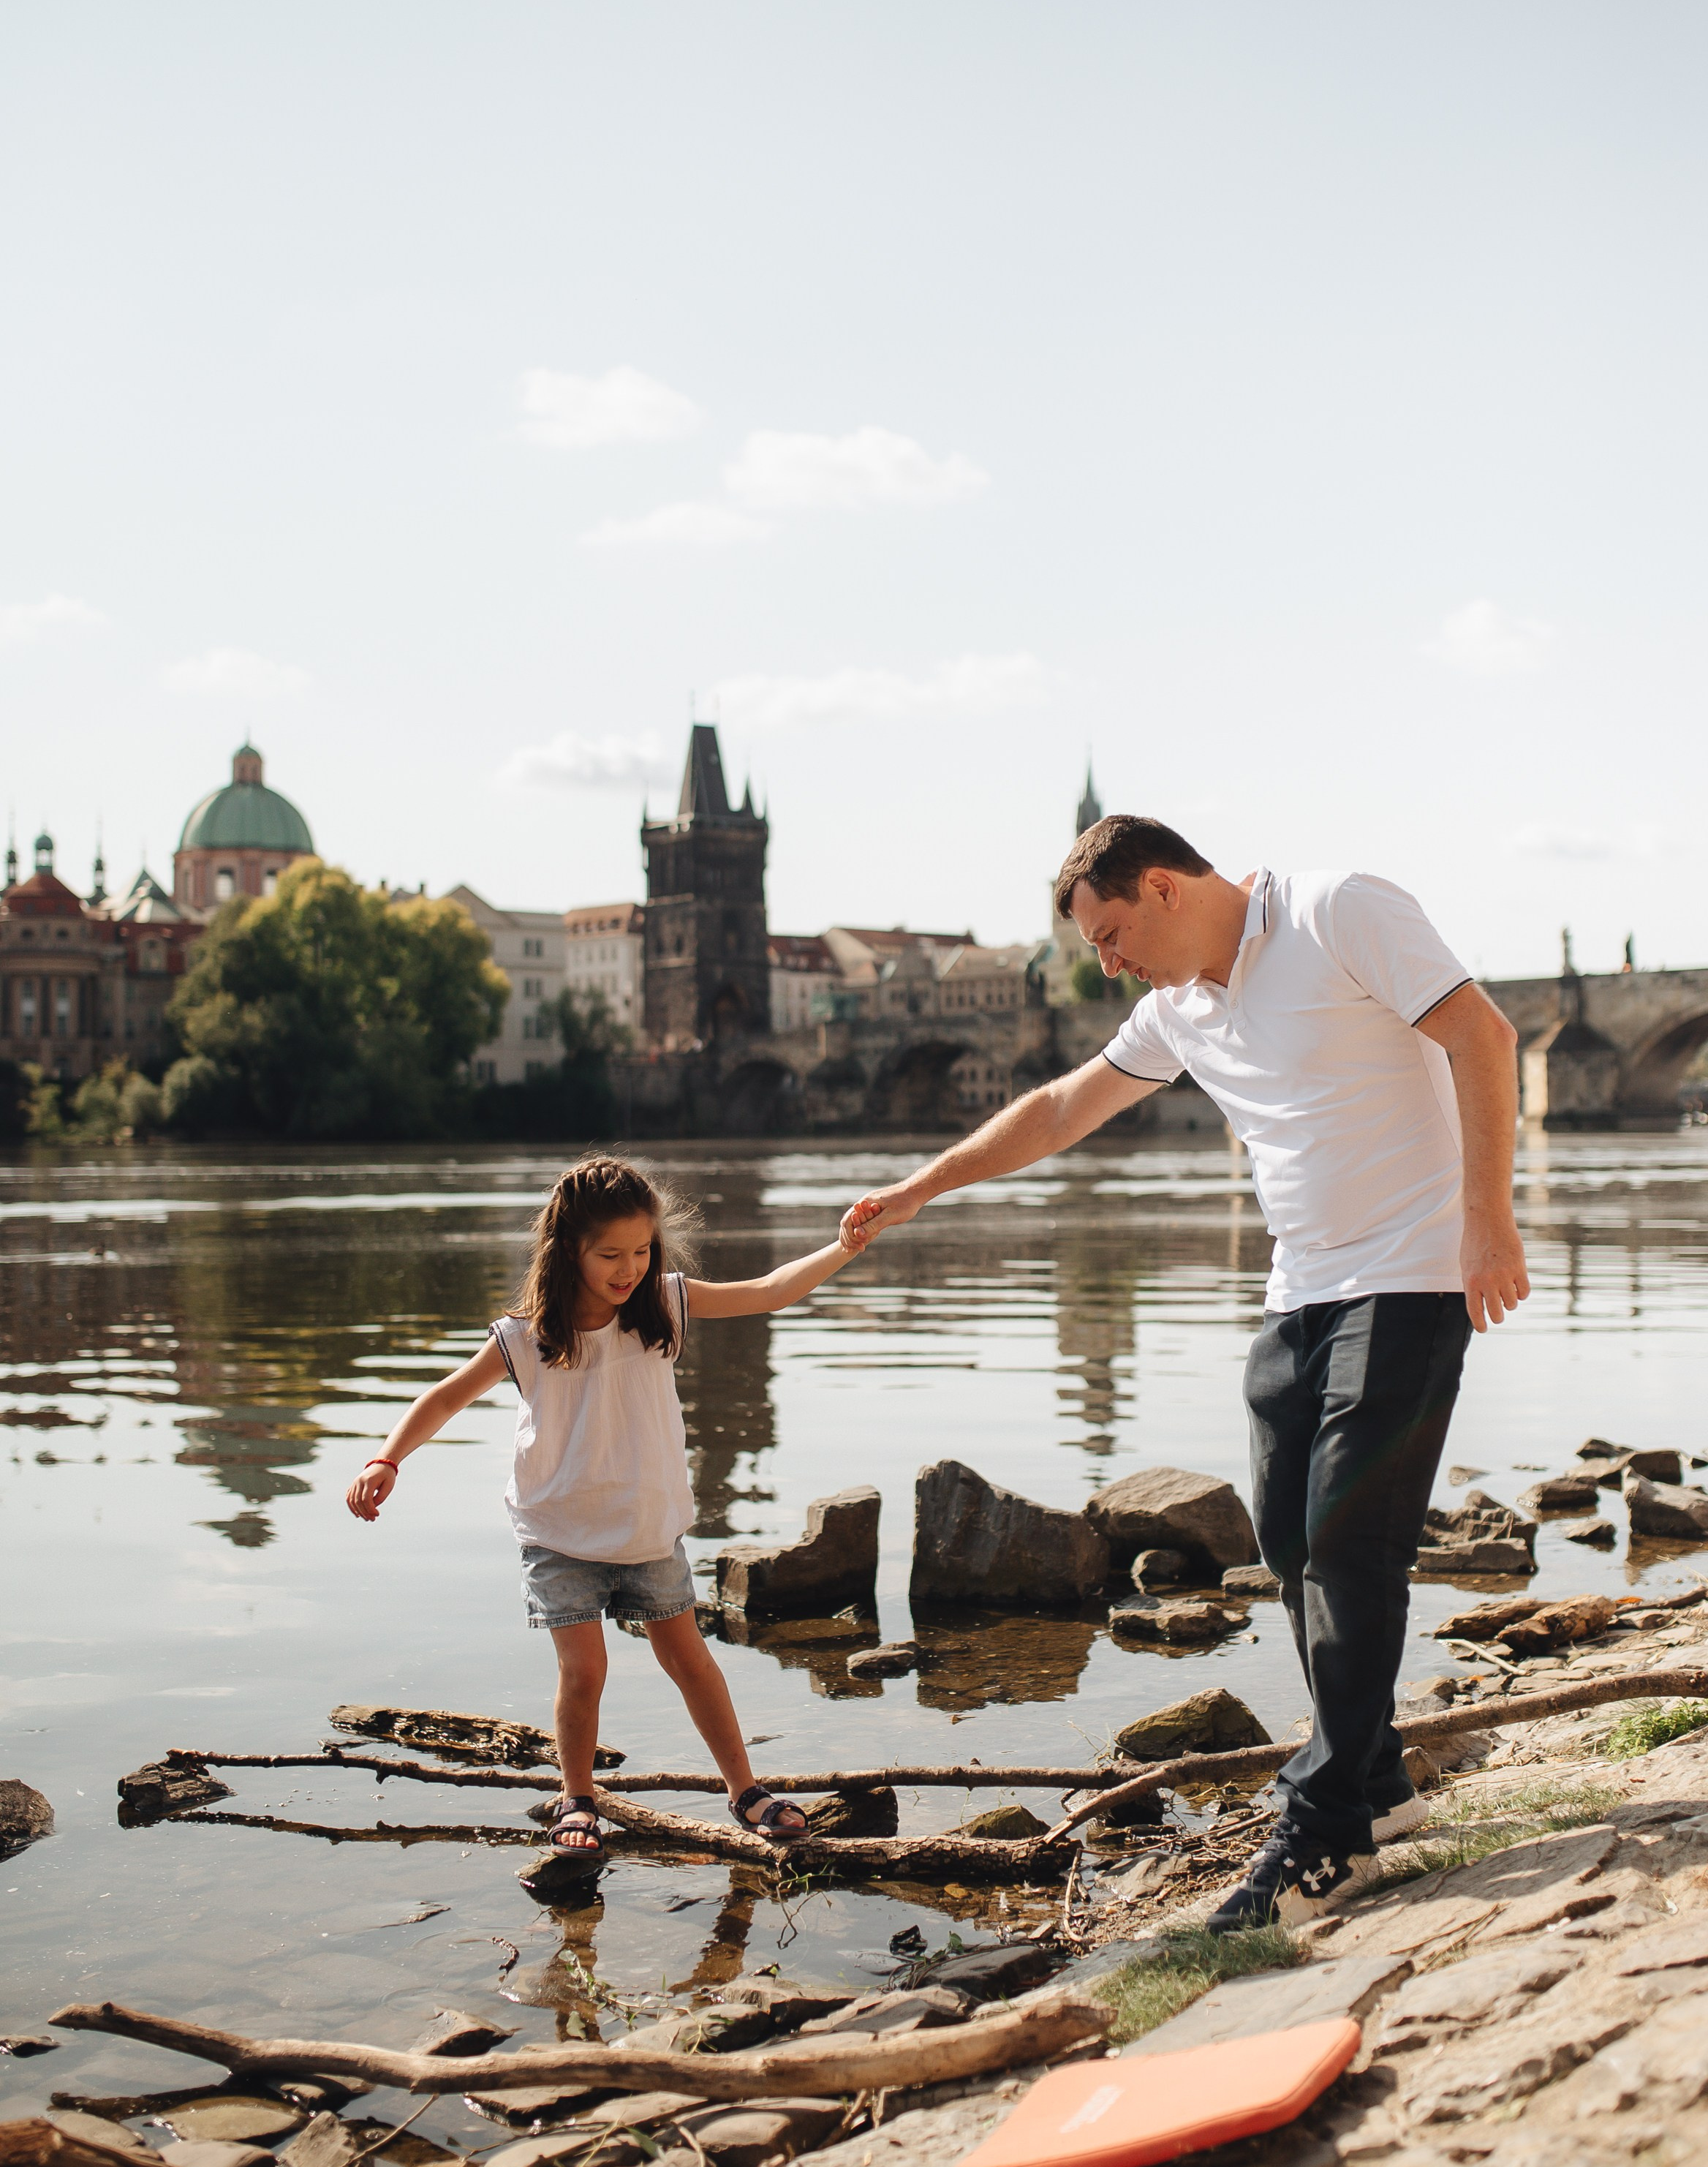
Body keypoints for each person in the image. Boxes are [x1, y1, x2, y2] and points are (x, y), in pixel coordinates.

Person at [843, 817, 1527, 1927]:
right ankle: (1383, 1781)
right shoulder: (1179, 1010)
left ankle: (1330, 1829)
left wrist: (1488, 1223)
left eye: (1113, 935)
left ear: (1163, 888)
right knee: (1292, 1541)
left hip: (1412, 1272)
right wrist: (922, 1189)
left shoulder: (1338, 909)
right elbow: (1063, 1107)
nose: (1107, 965)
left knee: (1354, 1540)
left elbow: (1485, 1039)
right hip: (1299, 1293)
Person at [347, 1154, 868, 1855]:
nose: (629, 1269)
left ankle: (745, 1789)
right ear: (569, 1251)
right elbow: (444, 1396)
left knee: (689, 1661)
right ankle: (578, 1798)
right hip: (558, 1530)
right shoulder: (527, 1337)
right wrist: (387, 1457)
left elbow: (768, 1291)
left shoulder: (663, 1306)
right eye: (611, 1255)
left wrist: (844, 1246)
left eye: (643, 1251)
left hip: (647, 1530)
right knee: (584, 1670)